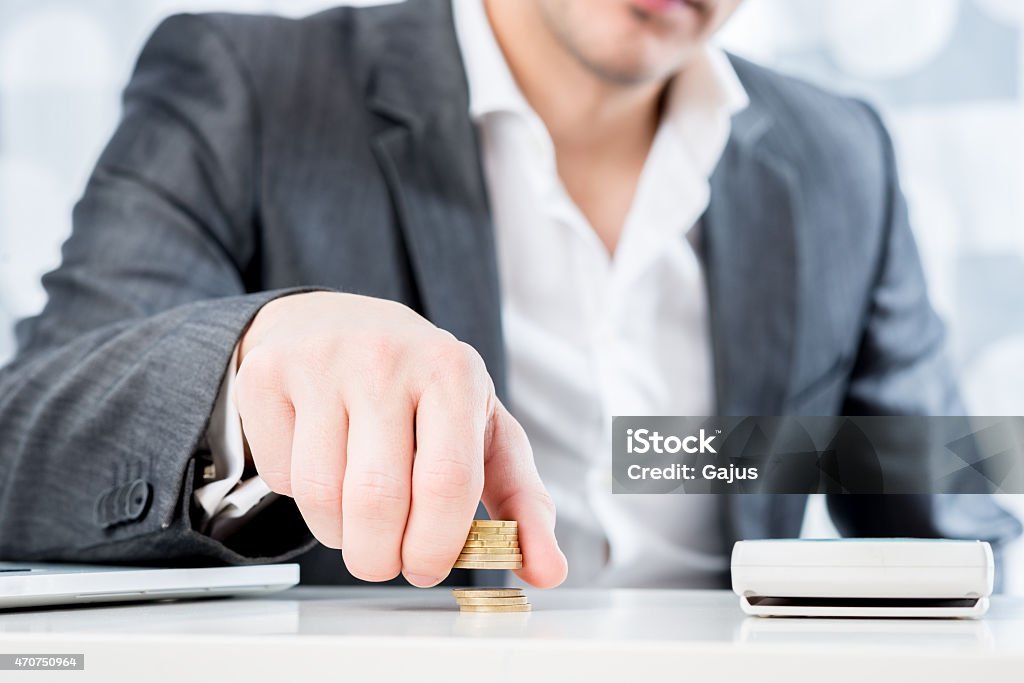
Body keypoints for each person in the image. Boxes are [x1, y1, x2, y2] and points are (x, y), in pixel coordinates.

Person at [0, 0, 1018, 589]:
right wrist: (250, 361)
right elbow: (23, 448)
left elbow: (951, 501)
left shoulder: (841, 153)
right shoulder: (247, 85)